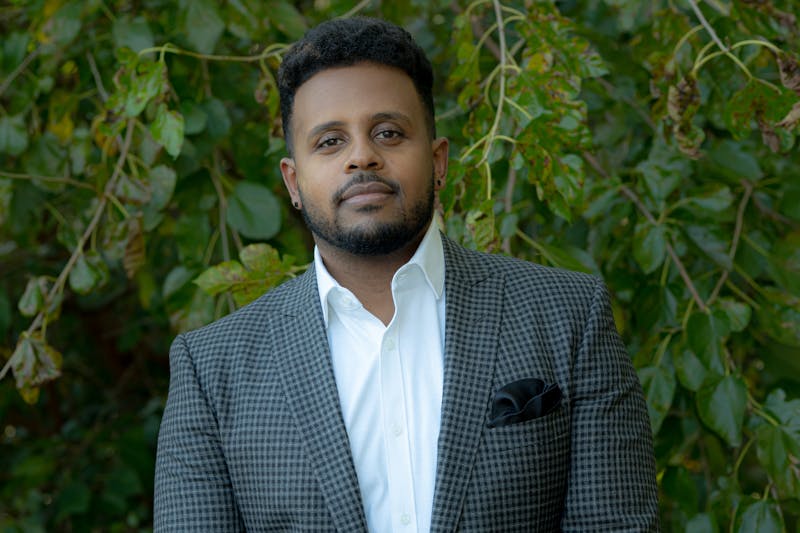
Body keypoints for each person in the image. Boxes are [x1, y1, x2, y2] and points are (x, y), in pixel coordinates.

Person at [154, 16, 659, 532]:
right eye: (329, 142)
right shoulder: (213, 370)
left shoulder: (567, 317)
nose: (362, 157)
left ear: (438, 161)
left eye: (388, 133)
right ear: (293, 181)